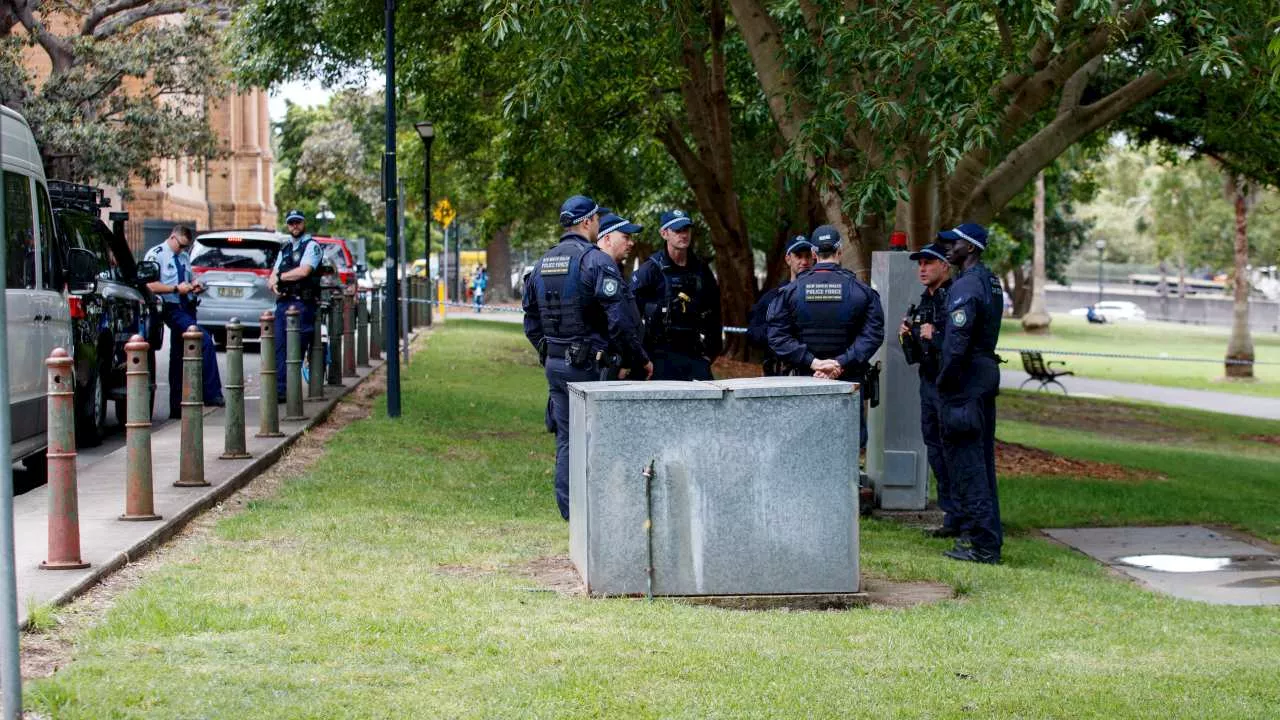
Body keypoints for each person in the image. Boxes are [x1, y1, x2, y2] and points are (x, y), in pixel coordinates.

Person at [524, 195, 648, 520]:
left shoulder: (542, 263)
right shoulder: (595, 261)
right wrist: (635, 360)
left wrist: (550, 350)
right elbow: (620, 322)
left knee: (567, 439)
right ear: (589, 221)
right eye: (596, 219)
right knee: (599, 439)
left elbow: (531, 320)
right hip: (590, 367)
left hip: (555, 366)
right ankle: (600, 512)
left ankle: (571, 512)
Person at [766, 224, 884, 448]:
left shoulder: (790, 293)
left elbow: (777, 337)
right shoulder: (863, 293)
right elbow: (873, 334)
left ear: (813, 254)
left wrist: (814, 363)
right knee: (846, 448)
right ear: (839, 252)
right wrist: (841, 362)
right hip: (849, 383)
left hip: (804, 382)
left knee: (805, 446)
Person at [936, 223, 1005, 564]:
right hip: (984, 373)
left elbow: (958, 341)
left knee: (968, 464)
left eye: (956, 243)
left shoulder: (967, 285)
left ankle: (983, 545)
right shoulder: (992, 281)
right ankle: (988, 538)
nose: (949, 247)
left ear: (972, 248)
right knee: (982, 461)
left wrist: (946, 379)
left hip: (966, 378)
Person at [898, 241, 960, 538]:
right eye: (919, 263)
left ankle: (964, 515)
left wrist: (934, 336)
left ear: (944, 266)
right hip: (928, 383)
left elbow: (957, 346)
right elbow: (916, 356)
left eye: (929, 262)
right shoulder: (923, 301)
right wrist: (907, 338)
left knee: (953, 450)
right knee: (934, 449)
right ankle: (951, 514)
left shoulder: (954, 298)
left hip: (950, 386)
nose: (922, 268)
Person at [631, 209, 722, 380]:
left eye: (686, 230)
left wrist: (711, 352)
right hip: (659, 355)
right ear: (664, 233)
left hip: (694, 353)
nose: (683, 235)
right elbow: (631, 314)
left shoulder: (701, 269)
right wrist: (640, 357)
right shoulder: (650, 270)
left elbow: (714, 312)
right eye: (677, 231)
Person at [144, 224, 224, 417]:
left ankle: (177, 407)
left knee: (179, 357)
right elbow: (149, 284)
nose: (182, 250)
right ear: (172, 238)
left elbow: (189, 278)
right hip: (171, 308)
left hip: (187, 306)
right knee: (202, 340)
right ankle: (212, 394)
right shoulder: (156, 254)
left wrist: (194, 285)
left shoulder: (184, 257)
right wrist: (174, 289)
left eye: (185, 247)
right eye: (180, 246)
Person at [267, 209, 324, 399]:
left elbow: (304, 271)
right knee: (279, 347)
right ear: (287, 225)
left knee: (297, 347)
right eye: (291, 223)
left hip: (303, 303)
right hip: (284, 302)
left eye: (298, 222)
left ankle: (291, 389)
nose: (295, 226)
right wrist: (274, 282)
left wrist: (281, 277)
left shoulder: (311, 246)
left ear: (304, 223)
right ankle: (282, 390)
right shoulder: (285, 248)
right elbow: (273, 274)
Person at [596, 212, 654, 380]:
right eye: (625, 237)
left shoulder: (612, 270)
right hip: (609, 366)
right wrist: (631, 360)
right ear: (607, 239)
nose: (631, 243)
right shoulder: (602, 271)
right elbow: (618, 323)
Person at [747, 235, 814, 375]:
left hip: (813, 372)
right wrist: (778, 330)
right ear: (788, 259)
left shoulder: (821, 296)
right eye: (798, 256)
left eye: (808, 256)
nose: (804, 261)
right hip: (778, 374)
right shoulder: (772, 298)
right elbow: (753, 334)